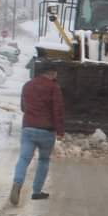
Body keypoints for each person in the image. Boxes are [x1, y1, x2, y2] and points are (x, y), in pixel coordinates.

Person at [11, 67, 65, 206]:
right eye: (55, 73)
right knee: (43, 160)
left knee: (24, 158)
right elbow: (57, 110)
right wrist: (60, 131)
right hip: (47, 130)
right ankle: (36, 191)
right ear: (50, 73)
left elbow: (23, 107)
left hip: (28, 128)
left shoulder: (27, 85)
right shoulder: (54, 87)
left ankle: (17, 183)